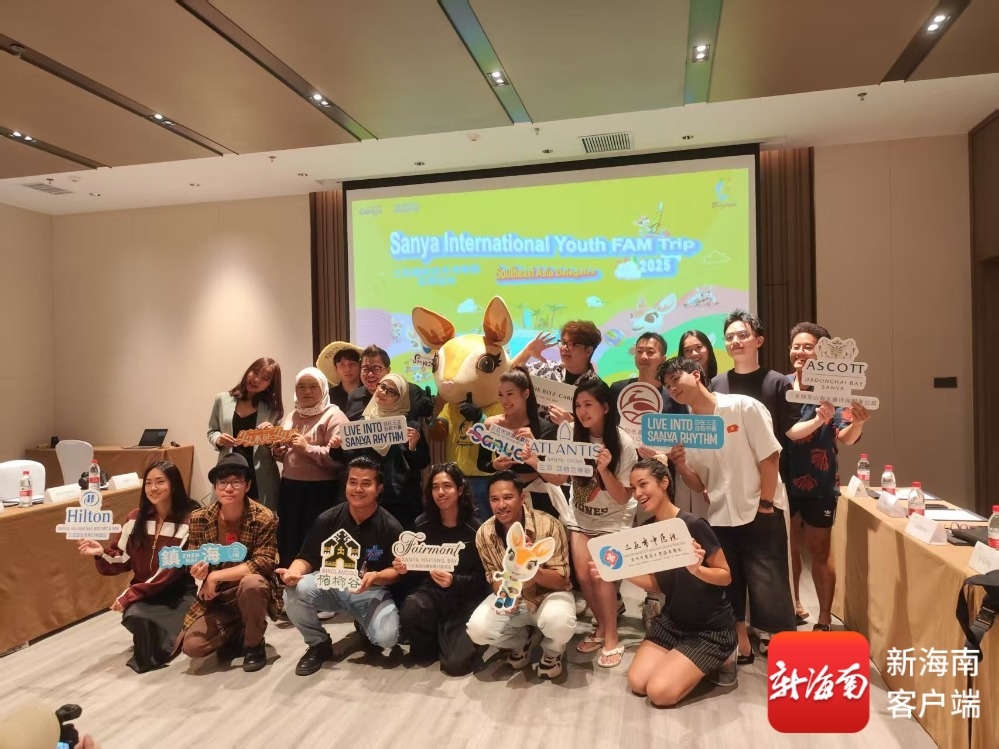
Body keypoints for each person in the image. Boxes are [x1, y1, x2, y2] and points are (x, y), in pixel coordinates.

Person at [663, 357, 795, 665]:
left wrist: (765, 503)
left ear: (696, 375)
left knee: (769, 579)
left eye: (676, 380)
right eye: (667, 386)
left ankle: (778, 640)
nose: (672, 389)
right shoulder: (689, 428)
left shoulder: (743, 406)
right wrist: (680, 464)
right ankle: (740, 639)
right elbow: (699, 483)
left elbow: (770, 457)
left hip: (759, 507)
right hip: (721, 514)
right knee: (729, 579)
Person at [525, 376, 637, 668]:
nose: (582, 411)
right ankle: (601, 628)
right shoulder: (573, 436)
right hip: (581, 515)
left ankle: (612, 637)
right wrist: (534, 461)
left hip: (614, 517)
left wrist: (605, 470)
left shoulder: (623, 443)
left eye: (589, 404)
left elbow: (622, 497)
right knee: (584, 576)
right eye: (578, 405)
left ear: (605, 407)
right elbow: (559, 478)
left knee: (602, 575)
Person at [612, 458, 737, 706]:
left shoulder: (693, 524)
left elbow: (725, 575)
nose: (637, 493)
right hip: (673, 621)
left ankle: (722, 657)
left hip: (710, 629)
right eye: (633, 488)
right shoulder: (648, 529)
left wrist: (697, 570)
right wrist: (619, 571)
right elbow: (659, 585)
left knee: (659, 693)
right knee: (637, 683)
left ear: (664, 483)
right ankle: (684, 661)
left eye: (643, 484)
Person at [280, 456, 404, 676]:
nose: (358, 489)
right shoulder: (327, 519)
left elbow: (397, 572)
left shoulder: (390, 526)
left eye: (366, 483)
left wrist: (376, 577)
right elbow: (306, 557)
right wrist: (294, 571)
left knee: (387, 638)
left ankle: (363, 625)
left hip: (369, 591)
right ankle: (318, 644)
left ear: (378, 488)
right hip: (330, 585)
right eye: (352, 482)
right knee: (294, 590)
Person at [784, 322, 870, 631]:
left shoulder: (836, 388)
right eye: (796, 346)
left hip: (819, 483)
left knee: (820, 550)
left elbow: (846, 437)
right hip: (780, 480)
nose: (800, 352)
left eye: (808, 347)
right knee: (787, 548)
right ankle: (792, 605)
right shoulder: (780, 385)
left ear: (822, 353)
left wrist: (858, 423)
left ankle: (823, 617)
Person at [78, 461, 196, 673]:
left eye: (160, 482)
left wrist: (129, 594)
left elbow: (168, 572)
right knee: (135, 615)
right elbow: (122, 558)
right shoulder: (135, 518)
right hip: (145, 592)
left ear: (174, 485)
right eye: (148, 483)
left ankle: (174, 635)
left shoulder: (188, 522)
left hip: (177, 594)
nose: (153, 488)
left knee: (160, 632)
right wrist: (101, 552)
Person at [175, 453, 281, 673]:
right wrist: (198, 570)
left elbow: (264, 562)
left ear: (247, 485)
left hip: (248, 590)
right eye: (222, 482)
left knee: (253, 583)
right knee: (193, 647)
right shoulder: (199, 518)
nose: (229, 488)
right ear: (215, 487)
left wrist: (215, 576)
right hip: (217, 597)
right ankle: (238, 631)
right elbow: (192, 556)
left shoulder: (264, 517)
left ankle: (254, 645)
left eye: (236, 482)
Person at [466, 472, 575, 679]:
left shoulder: (549, 525)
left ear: (522, 498)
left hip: (548, 595)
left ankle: (553, 652)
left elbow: (562, 581)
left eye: (508, 497)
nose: (501, 505)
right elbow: (493, 577)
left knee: (559, 622)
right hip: (514, 599)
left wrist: (529, 567)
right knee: (478, 630)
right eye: (494, 499)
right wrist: (505, 593)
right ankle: (521, 642)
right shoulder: (484, 533)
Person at [394, 464, 488, 675]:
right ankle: (435, 639)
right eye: (435, 487)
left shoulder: (477, 529)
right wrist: (405, 567)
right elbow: (418, 570)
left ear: (460, 490)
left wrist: (455, 581)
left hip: (465, 598)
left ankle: (456, 638)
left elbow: (482, 581)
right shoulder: (422, 524)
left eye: (447, 486)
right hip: (432, 594)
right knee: (412, 609)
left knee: (456, 666)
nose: (440, 492)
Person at [329, 372, 429, 530]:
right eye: (382, 386)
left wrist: (413, 447)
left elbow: (423, 462)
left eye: (392, 391)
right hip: (365, 498)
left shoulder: (410, 427)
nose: (383, 392)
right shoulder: (361, 424)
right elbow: (351, 459)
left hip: (400, 500)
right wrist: (336, 447)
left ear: (401, 397)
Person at [272, 367, 349, 565]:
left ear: (323, 388)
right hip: (290, 487)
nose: (307, 391)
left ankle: (313, 582)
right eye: (301, 387)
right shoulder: (291, 415)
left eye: (313, 386)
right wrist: (280, 453)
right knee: (289, 539)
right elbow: (291, 454)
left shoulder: (334, 416)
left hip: (321, 490)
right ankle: (287, 578)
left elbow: (340, 460)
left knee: (317, 542)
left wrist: (307, 448)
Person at [474, 366, 559, 516]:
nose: (504, 400)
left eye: (510, 394)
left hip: (540, 497)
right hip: (505, 498)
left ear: (525, 393)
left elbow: (554, 475)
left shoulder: (545, 428)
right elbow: (482, 463)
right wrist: (495, 465)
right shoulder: (491, 425)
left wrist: (535, 446)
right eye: (500, 394)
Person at [711, 310, 798, 446]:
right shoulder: (716, 384)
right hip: (727, 458)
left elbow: (791, 430)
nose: (735, 341)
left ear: (759, 341)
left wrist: (820, 418)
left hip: (769, 459)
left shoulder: (777, 382)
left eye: (742, 335)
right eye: (729, 337)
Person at [207, 357, 283, 510]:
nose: (256, 379)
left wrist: (271, 436)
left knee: (259, 519)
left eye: (265, 378)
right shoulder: (222, 399)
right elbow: (212, 431)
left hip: (260, 475)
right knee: (226, 517)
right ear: (248, 371)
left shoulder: (272, 408)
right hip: (229, 470)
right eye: (255, 372)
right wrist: (218, 438)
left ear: (270, 384)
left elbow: (277, 446)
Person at [511, 319, 602, 424]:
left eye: (572, 344)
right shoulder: (544, 368)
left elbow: (597, 430)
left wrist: (571, 424)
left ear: (588, 351)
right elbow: (507, 378)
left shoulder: (597, 388)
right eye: (564, 342)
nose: (565, 348)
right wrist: (526, 352)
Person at [345, 344, 434, 422]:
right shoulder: (353, 397)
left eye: (376, 368)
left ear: (388, 370)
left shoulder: (409, 391)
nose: (370, 374)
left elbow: (434, 410)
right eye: (365, 369)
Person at [325, 342, 363, 412]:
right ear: (336, 368)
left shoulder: (370, 392)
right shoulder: (329, 396)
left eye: (352, 364)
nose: (348, 369)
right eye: (342, 365)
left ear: (360, 366)